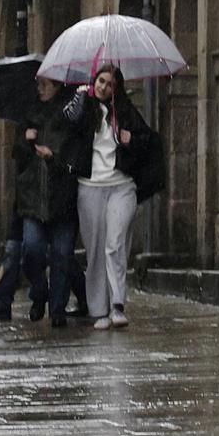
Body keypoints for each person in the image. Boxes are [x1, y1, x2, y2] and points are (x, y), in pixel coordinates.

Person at [63, 64, 152, 330]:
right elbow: (69, 123)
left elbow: (146, 140)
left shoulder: (124, 111)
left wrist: (130, 139)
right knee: (95, 250)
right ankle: (98, 310)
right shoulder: (84, 106)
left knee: (115, 243)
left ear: (117, 88)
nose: (103, 87)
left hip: (121, 186)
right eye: (100, 81)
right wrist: (81, 95)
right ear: (94, 81)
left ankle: (117, 305)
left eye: (110, 84)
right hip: (90, 186)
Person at [13, 75, 80, 327]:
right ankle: (39, 292)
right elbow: (16, 155)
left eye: (45, 84)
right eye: (38, 83)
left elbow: (75, 157)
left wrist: (54, 158)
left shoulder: (70, 115)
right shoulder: (30, 114)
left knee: (62, 255)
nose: (40, 88)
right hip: (33, 198)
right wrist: (25, 140)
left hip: (62, 198)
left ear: (58, 85)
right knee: (31, 250)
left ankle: (58, 308)